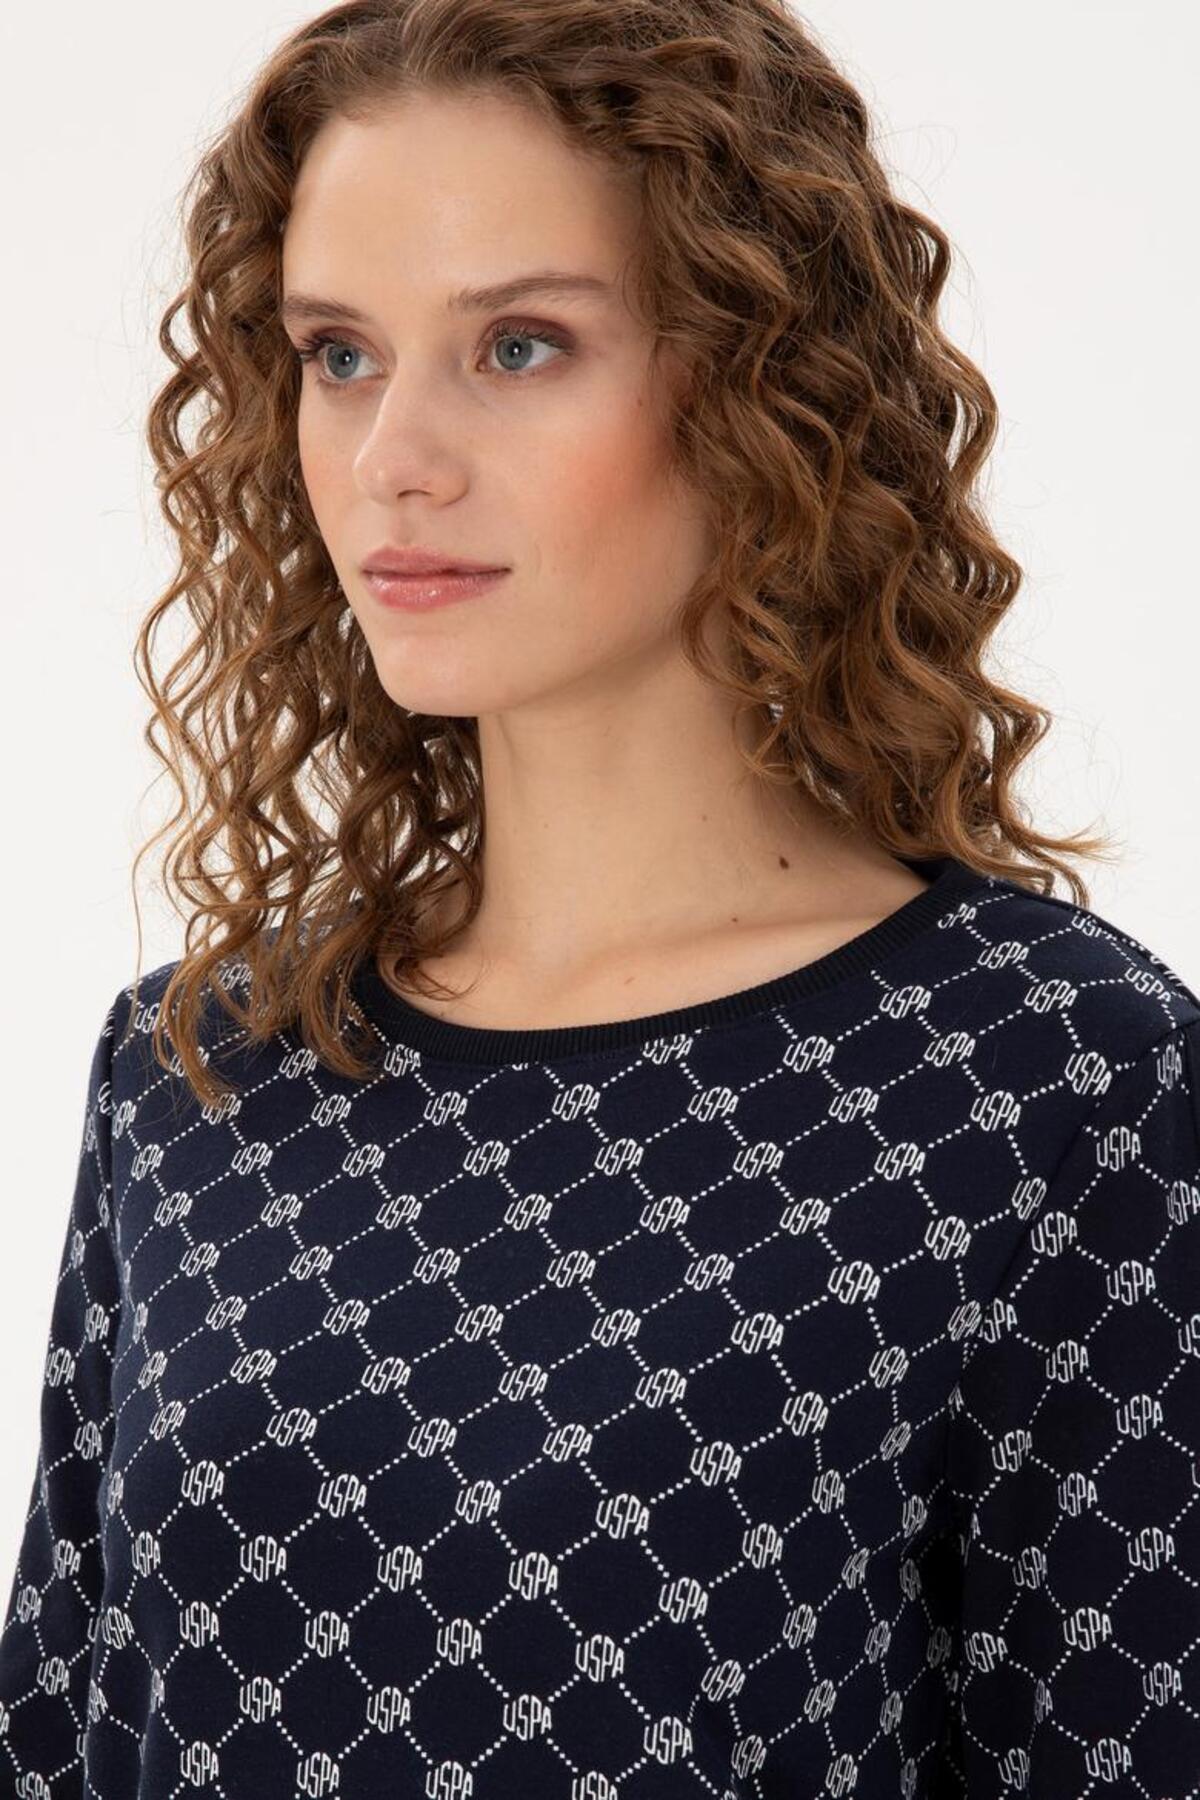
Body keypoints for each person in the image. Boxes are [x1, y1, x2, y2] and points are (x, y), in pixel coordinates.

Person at [1, 0, 1197, 1794]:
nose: (393, 455)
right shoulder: (205, 1065)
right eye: (339, 353)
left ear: (766, 385)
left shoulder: (1054, 1082)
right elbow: (55, 1732)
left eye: (521, 345)